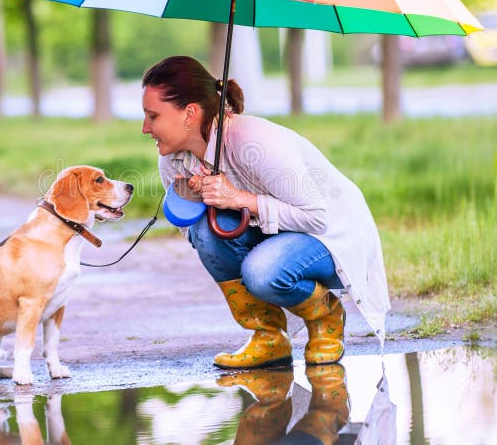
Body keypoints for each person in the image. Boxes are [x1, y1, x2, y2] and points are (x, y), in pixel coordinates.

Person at [141, 56, 390, 369]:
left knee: (261, 272)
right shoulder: (173, 159)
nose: (145, 128)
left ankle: (326, 314)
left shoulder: (251, 140)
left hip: (330, 236)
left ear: (190, 113)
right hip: (280, 234)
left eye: (153, 116)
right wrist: (194, 200)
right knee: (204, 229)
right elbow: (193, 235)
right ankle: (268, 336)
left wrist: (239, 199)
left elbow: (317, 217)